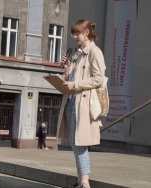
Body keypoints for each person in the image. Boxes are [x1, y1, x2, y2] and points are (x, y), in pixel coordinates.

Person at [57, 19, 106, 188]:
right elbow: (73, 78)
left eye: (77, 33)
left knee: (79, 143)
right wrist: (68, 68)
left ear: (86, 33)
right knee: (74, 142)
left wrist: (76, 85)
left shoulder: (94, 52)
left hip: (83, 104)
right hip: (72, 101)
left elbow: (99, 79)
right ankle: (80, 182)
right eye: (73, 33)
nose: (74, 36)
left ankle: (85, 183)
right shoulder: (77, 53)